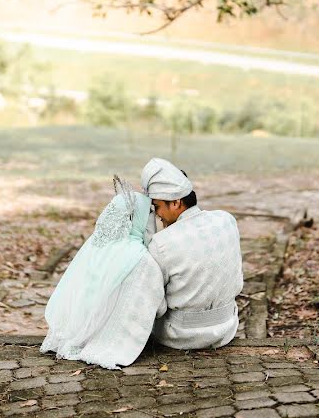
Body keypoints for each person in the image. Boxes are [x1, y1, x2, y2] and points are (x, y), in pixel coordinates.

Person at [40, 177, 166, 369]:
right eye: (149, 214)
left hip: (82, 328)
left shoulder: (96, 248)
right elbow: (158, 305)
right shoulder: (141, 259)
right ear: (138, 217)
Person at [142, 158, 243, 350]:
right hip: (227, 327)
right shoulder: (226, 220)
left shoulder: (162, 243)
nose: (157, 215)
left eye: (157, 206)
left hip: (181, 336)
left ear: (176, 203)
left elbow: (157, 307)